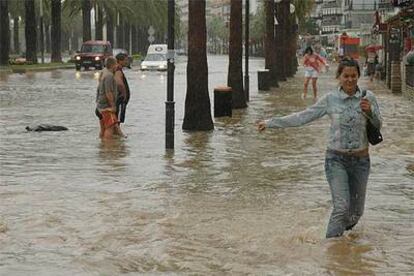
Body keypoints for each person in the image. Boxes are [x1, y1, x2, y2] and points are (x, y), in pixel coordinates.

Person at [257, 58, 383, 238]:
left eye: (353, 76)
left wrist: (370, 112)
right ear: (338, 76)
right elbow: (303, 117)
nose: (350, 80)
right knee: (341, 208)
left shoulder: (367, 97)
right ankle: (331, 252)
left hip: (361, 162)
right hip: (336, 161)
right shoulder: (330, 99)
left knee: (356, 213)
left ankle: (344, 249)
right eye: (345, 76)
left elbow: (379, 125)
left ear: (358, 76)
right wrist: (271, 123)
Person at [96, 57, 119, 140]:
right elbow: (108, 92)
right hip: (106, 107)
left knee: (103, 129)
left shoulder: (103, 72)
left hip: (99, 106)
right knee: (109, 128)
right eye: (116, 64)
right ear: (113, 65)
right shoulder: (109, 76)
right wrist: (113, 106)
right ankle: (108, 149)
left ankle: (102, 148)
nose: (117, 66)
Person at [114, 53, 131, 127]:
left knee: (116, 119)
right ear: (120, 61)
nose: (127, 62)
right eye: (125, 60)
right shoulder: (118, 70)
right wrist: (124, 94)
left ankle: (117, 136)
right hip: (120, 99)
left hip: (119, 99)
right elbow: (119, 83)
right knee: (117, 120)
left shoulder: (117, 69)